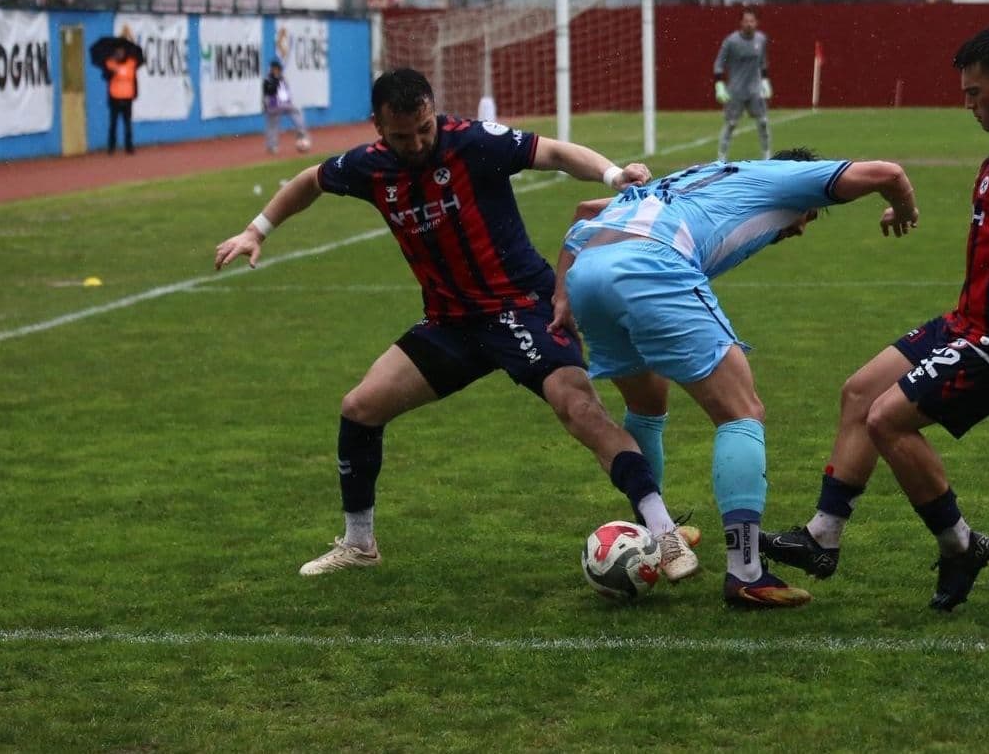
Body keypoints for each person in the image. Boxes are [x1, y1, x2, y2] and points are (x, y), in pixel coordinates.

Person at [213, 69, 702, 583]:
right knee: (360, 408)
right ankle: (359, 545)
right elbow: (309, 181)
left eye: (424, 128)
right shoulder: (368, 167)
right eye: (402, 136)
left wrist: (613, 175)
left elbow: (555, 152)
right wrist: (256, 230)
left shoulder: (472, 141)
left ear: (434, 112)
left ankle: (664, 533)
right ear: (378, 126)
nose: (417, 143)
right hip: (451, 324)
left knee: (580, 410)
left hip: (521, 307)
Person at [762, 25, 989, 612]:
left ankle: (959, 545)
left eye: (974, 93)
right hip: (967, 321)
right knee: (859, 392)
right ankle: (822, 537)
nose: (967, 104)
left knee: (887, 420)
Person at [553, 149, 921, 608]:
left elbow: (585, 213)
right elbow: (889, 172)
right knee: (741, 412)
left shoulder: (692, 177)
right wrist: (903, 210)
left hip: (588, 273)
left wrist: (561, 295)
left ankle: (655, 533)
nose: (802, 227)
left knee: (646, 407)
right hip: (650, 266)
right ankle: (746, 573)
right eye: (808, 215)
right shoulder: (783, 176)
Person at [714, 8, 772, 162]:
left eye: (752, 21)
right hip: (736, 90)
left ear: (756, 22)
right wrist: (719, 85)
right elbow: (719, 64)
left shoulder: (761, 39)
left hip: (755, 89)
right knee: (731, 124)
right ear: (741, 22)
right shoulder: (731, 41)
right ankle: (721, 158)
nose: (749, 24)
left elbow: (763, 62)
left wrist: (765, 81)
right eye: (746, 21)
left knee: (763, 122)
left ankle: (767, 156)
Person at [262, 60, 312, 155]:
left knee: (297, 112)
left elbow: (286, 92)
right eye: (274, 68)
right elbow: (269, 92)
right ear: (272, 69)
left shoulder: (282, 78)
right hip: (273, 105)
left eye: (277, 68)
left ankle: (302, 135)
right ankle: (272, 145)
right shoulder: (268, 79)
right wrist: (276, 80)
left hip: (284, 104)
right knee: (272, 125)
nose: (276, 70)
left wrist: (288, 101)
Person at [102, 48, 138, 155]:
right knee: (113, 123)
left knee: (127, 123)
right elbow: (105, 77)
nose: (120, 54)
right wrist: (111, 73)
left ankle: (129, 147)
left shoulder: (131, 63)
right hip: (115, 98)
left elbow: (134, 79)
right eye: (118, 52)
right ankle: (111, 147)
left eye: (121, 52)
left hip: (127, 97)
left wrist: (135, 93)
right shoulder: (110, 63)